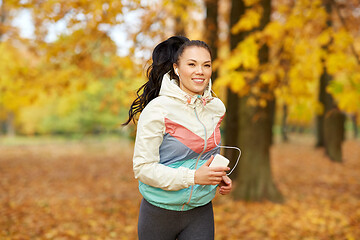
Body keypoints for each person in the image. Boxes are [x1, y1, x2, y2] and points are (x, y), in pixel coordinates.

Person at [123, 36, 232, 240]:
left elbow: (204, 157)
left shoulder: (216, 108)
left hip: (200, 211)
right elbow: (143, 168)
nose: (200, 71)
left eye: (206, 65)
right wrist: (193, 177)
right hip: (159, 213)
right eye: (191, 64)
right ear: (176, 68)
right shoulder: (157, 110)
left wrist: (217, 176)